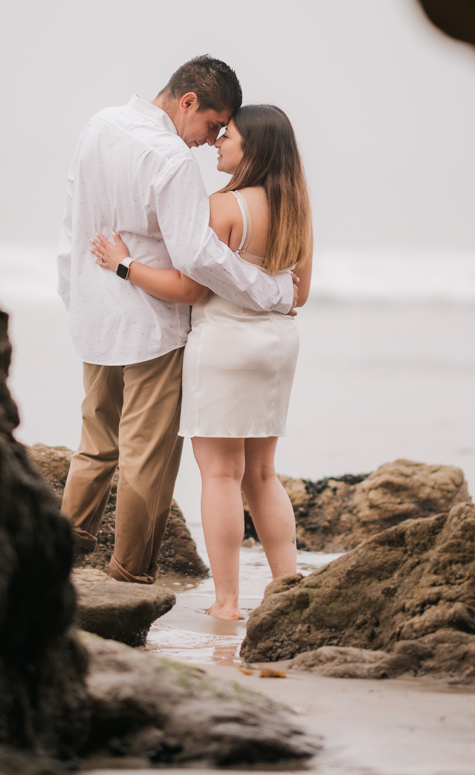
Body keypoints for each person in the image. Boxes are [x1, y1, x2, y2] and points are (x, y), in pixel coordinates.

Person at [56, 56, 301, 586]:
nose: (209, 140)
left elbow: (72, 223)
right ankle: (130, 573)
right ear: (188, 101)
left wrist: (73, 298)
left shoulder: (99, 125)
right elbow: (198, 261)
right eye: (213, 125)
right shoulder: (170, 157)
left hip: (97, 314)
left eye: (222, 132)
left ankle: (62, 550)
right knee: (147, 455)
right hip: (153, 322)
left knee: (95, 441)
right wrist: (274, 292)